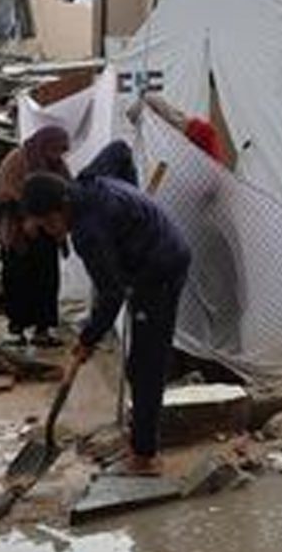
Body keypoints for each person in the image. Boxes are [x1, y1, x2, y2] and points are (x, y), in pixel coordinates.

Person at [21, 161, 191, 476]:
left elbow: (111, 295)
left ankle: (145, 457)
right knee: (137, 363)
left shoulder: (89, 232)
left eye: (46, 225)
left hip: (162, 266)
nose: (47, 232)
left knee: (146, 364)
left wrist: (87, 340)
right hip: (150, 256)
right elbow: (121, 151)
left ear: (59, 211)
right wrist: (132, 216)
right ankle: (140, 437)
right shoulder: (86, 182)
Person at [0, 126, 70, 346]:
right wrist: (27, 215)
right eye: (54, 149)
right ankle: (16, 330)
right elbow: (2, 192)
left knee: (46, 280)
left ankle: (42, 330)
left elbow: (66, 193)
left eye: (61, 151)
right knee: (18, 280)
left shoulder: (58, 166)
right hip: (17, 232)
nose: (57, 155)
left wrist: (50, 221)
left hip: (45, 233)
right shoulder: (17, 159)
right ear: (43, 144)